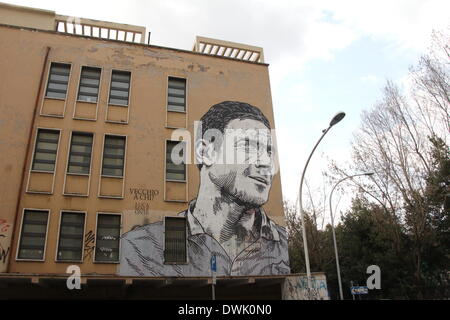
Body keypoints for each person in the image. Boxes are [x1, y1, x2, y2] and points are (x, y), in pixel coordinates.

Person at [119, 101, 290, 276]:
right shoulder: (138, 249)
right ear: (206, 152)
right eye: (247, 146)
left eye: (269, 152)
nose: (266, 162)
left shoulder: (283, 244)